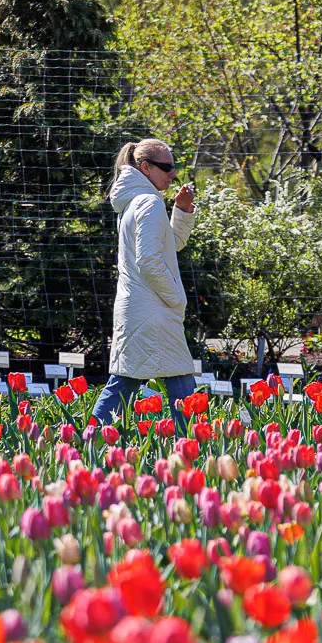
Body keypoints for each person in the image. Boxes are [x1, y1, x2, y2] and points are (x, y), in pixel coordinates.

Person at [95, 138, 197, 430]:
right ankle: (193, 445)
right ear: (145, 167)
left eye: (173, 166)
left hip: (139, 308)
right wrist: (176, 298)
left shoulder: (135, 201)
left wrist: (182, 211)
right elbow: (150, 261)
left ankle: (87, 438)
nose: (172, 174)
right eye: (166, 167)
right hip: (154, 310)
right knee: (179, 384)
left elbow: (169, 244)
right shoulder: (149, 202)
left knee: (125, 382)